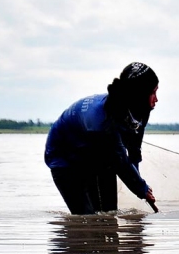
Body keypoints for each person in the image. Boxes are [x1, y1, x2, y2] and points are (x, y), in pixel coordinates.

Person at [44, 62, 159, 214]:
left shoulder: (142, 109)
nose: (156, 99)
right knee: (86, 217)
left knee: (109, 213)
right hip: (65, 155)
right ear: (139, 95)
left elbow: (134, 149)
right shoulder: (102, 123)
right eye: (153, 93)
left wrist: (138, 181)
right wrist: (141, 188)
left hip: (97, 153)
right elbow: (120, 161)